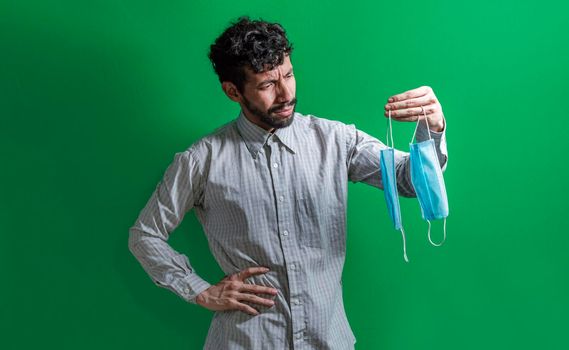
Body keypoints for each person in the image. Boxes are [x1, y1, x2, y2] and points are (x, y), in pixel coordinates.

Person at [128, 16, 448, 350]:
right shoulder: (201, 160)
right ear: (232, 91)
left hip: (329, 341)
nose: (286, 93)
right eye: (267, 85)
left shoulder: (337, 140)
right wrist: (199, 289)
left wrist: (434, 128)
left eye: (289, 75)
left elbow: (409, 182)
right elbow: (145, 235)